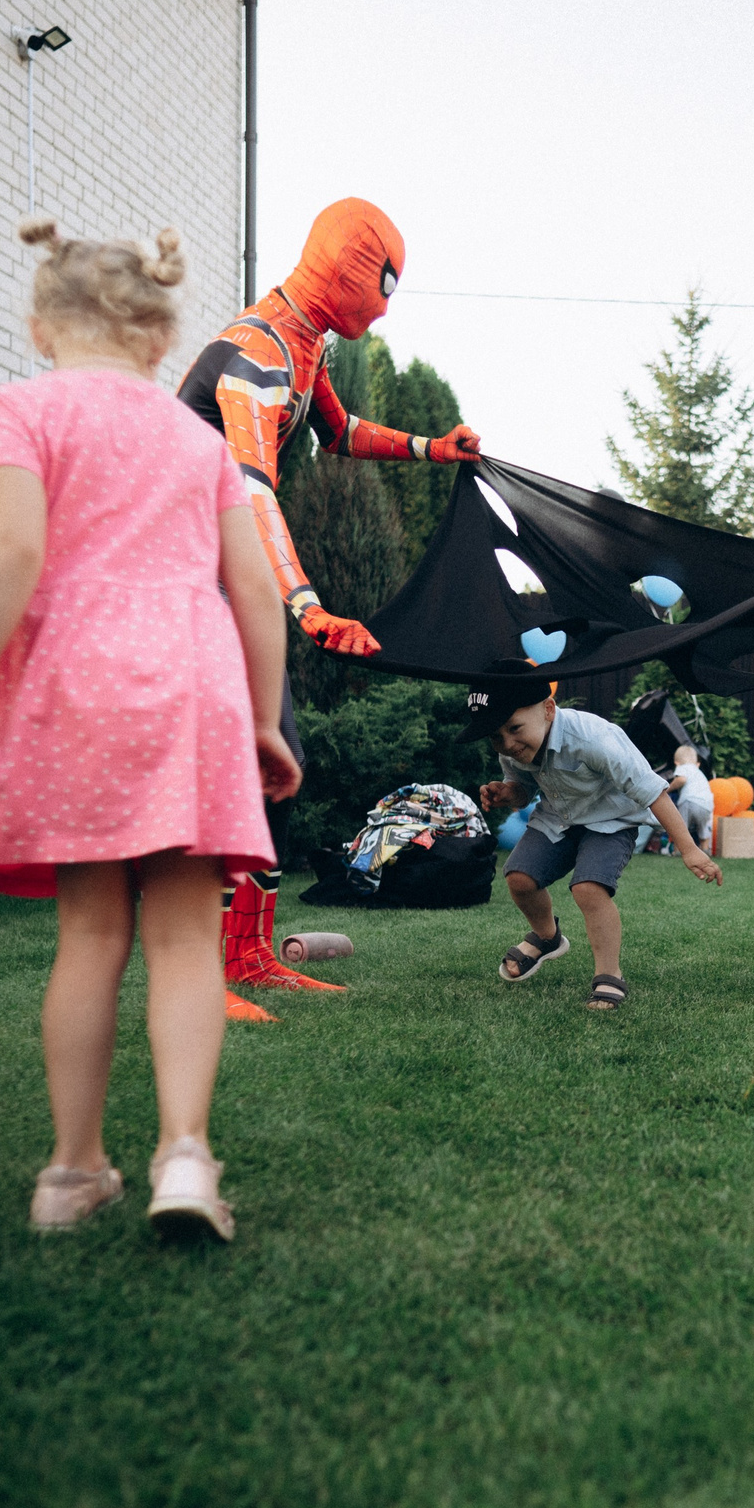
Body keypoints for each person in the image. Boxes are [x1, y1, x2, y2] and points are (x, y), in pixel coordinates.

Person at [0, 217, 299, 1242]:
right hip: (192, 688)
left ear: (41, 327)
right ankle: (185, 1158)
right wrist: (261, 718)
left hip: (77, 687)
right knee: (180, 938)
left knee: (89, 933)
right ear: (161, 342)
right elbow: (253, 586)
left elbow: (11, 554)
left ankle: (72, 1171)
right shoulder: (198, 438)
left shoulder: (20, 408)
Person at [176, 198, 483, 1018]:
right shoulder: (255, 355)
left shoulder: (303, 348)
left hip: (226, 578)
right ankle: (200, 975)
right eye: (379, 281)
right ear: (346, 268)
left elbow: (340, 434)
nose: (384, 305)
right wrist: (307, 606)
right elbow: (250, 491)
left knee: (279, 765)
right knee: (232, 766)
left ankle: (246, 953)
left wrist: (429, 448)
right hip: (183, 576)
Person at [469, 677, 722, 1010]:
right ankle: (547, 937)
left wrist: (689, 849)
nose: (508, 743)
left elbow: (652, 792)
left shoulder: (592, 739)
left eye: (515, 729)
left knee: (589, 888)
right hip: (560, 816)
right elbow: (523, 785)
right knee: (519, 878)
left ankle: (609, 973)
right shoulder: (515, 748)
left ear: (548, 709)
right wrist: (509, 793)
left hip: (612, 821)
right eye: (495, 736)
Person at [656, 743, 714, 854]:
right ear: (697, 764)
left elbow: (681, 780)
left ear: (676, 762)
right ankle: (705, 849)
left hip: (689, 801)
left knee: (681, 829)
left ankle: (678, 851)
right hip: (706, 804)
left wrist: (668, 789)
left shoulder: (682, 767)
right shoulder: (699, 772)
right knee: (703, 828)